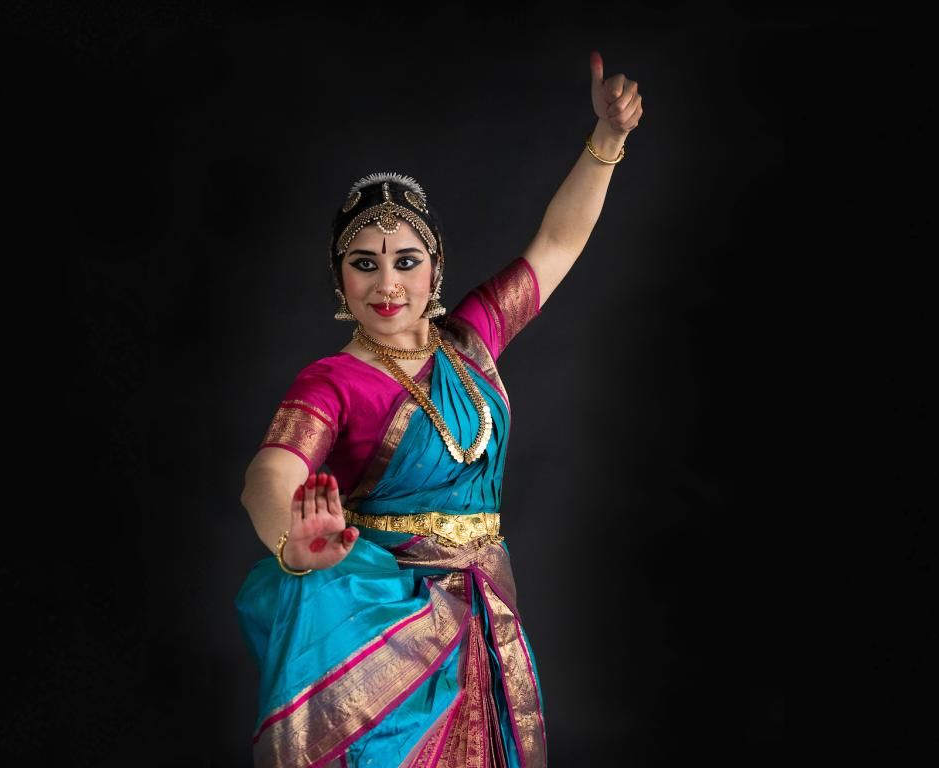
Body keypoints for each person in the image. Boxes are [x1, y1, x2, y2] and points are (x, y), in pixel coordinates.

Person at [235, 51, 643, 768]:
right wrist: (290, 550)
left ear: (435, 268)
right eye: (363, 263)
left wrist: (606, 142)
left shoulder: (471, 340)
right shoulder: (333, 380)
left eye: (404, 261)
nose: (386, 284)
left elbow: (557, 243)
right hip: (394, 628)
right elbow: (268, 475)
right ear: (339, 280)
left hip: (490, 615)